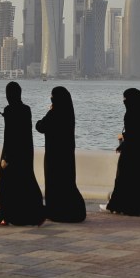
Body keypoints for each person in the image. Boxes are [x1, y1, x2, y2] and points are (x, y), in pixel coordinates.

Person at [100, 88, 140, 216]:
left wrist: (122, 142)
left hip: (131, 152)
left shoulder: (131, 114)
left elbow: (133, 135)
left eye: (125, 98)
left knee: (123, 179)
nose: (124, 101)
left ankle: (115, 205)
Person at [0, 81, 46, 226]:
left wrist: (6, 158)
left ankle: (6, 215)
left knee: (7, 185)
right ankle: (36, 214)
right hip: (25, 154)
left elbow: (10, 135)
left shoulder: (9, 110)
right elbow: (24, 134)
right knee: (27, 183)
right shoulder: (26, 109)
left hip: (11, 153)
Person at [35, 86, 86, 223]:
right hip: (67, 155)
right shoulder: (69, 113)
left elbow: (40, 126)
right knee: (66, 183)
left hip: (53, 155)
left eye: (53, 96)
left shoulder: (54, 113)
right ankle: (71, 210)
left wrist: (49, 111)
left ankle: (56, 210)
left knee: (54, 183)